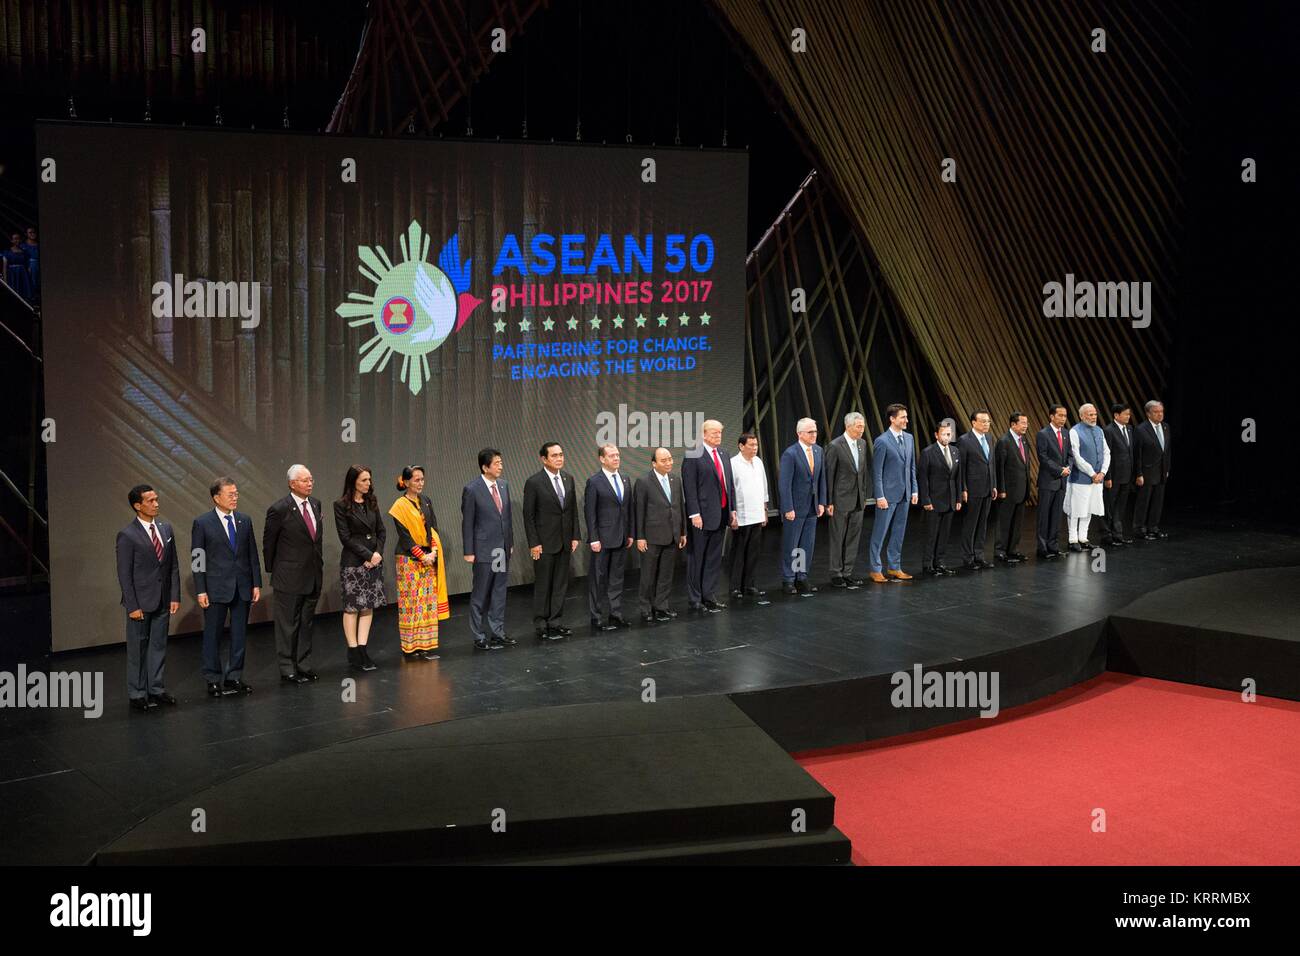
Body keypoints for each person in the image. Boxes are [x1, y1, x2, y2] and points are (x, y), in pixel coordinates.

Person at [192, 477, 261, 697]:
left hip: (242, 586)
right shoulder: (202, 523)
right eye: (230, 494)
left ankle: (234, 677)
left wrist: (256, 583)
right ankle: (213, 678)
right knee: (212, 635)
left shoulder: (244, 520)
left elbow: (252, 555)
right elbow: (198, 559)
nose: (235, 498)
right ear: (216, 497)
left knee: (240, 634)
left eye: (236, 494)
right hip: (215, 588)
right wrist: (201, 589)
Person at [116, 484, 180, 711]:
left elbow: (172, 566)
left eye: (156, 499)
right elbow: (124, 574)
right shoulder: (128, 535)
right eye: (150, 501)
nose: (156, 503)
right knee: (138, 649)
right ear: (137, 505)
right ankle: (137, 693)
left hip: (162, 599)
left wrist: (174, 595)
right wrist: (132, 605)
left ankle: (156, 688)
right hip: (140, 603)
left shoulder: (165, 528)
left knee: (158, 646)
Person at [263, 464, 324, 684]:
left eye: (311, 479)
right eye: (305, 480)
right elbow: (269, 544)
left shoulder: (316, 504)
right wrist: (277, 571)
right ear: (292, 484)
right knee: (287, 625)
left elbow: (315, 541)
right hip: (288, 577)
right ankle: (288, 668)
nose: (310, 483)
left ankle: (304, 665)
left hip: (312, 575)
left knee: (306, 624)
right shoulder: (279, 509)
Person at [523, 441, 580, 641]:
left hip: (564, 540)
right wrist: (534, 543)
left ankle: (555, 622)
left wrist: (575, 535)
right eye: (554, 455)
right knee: (544, 584)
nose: (559, 458)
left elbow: (572, 510)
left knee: (560, 584)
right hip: (544, 543)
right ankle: (541, 623)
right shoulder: (534, 482)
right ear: (544, 459)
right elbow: (528, 515)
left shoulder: (568, 478)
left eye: (561, 454)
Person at [390, 465, 449, 660]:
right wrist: (422, 555)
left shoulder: (426, 501)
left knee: (426, 602)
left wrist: (432, 551)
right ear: (406, 482)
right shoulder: (400, 506)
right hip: (409, 559)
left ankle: (425, 645)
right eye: (416, 480)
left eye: (422, 479)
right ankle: (410, 647)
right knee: (412, 603)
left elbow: (433, 528)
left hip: (428, 556)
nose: (420, 483)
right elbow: (405, 537)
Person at [335, 464, 387, 670]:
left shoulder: (371, 502)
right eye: (364, 480)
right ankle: (353, 650)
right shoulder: (341, 505)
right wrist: (367, 555)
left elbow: (381, 531)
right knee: (352, 607)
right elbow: (345, 537)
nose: (368, 484)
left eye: (369, 480)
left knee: (367, 606)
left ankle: (363, 649)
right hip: (354, 562)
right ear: (353, 481)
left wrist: (377, 554)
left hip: (373, 561)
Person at [462, 448, 515, 650]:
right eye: (496, 463)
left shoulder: (503, 485)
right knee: (481, 592)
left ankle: (497, 632)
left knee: (499, 591)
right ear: (485, 467)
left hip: (500, 549)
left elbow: (506, 518)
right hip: (483, 549)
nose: (500, 466)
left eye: (501, 462)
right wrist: (469, 550)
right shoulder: (472, 489)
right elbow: (467, 522)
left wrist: (508, 543)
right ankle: (478, 635)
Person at [682, 419, 736, 611]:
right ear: (703, 435)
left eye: (719, 433)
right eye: (713, 433)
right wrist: (694, 513)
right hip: (702, 517)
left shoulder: (724, 453)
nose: (717, 436)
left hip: (721, 514)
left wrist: (732, 509)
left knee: (714, 558)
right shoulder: (693, 454)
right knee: (697, 558)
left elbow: (729, 485)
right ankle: (695, 598)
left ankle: (709, 595)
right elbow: (689, 487)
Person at [634, 447, 686, 624]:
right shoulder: (644, 481)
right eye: (664, 460)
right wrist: (640, 537)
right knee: (648, 575)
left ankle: (661, 606)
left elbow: (680, 506)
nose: (669, 463)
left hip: (672, 534)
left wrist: (682, 532)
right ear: (654, 463)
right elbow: (639, 511)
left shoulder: (675, 479)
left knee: (666, 574)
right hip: (651, 536)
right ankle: (646, 608)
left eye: (670, 459)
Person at [867, 403, 918, 582]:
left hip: (905, 493)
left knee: (899, 532)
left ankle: (894, 567)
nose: (906, 420)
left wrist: (915, 489)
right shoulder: (882, 441)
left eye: (906, 417)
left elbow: (911, 466)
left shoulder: (910, 438)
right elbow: (877, 471)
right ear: (892, 419)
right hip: (887, 496)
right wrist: (880, 496)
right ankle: (875, 569)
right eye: (903, 417)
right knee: (880, 533)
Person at [585, 444, 634, 631]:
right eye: (612, 456)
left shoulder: (625, 478)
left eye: (618, 455)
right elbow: (590, 512)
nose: (616, 458)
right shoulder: (594, 481)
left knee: (616, 578)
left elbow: (628, 508)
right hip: (603, 539)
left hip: (621, 537)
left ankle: (615, 614)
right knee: (598, 578)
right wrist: (594, 538)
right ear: (602, 459)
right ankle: (596, 616)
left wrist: (630, 533)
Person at [779, 418, 827, 595]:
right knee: (792, 544)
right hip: (796, 507)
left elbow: (822, 479)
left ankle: (802, 576)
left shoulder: (818, 450)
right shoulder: (790, 454)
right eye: (810, 432)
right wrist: (788, 508)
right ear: (800, 434)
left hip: (812, 506)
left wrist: (822, 501)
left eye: (815, 431)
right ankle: (789, 578)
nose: (814, 435)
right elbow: (784, 484)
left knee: (806, 544)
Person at [825, 412, 870, 587]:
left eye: (863, 426)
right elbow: (830, 475)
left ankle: (847, 571)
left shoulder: (862, 444)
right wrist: (829, 501)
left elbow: (863, 472)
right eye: (858, 427)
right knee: (838, 537)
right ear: (848, 426)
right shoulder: (835, 446)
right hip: (840, 500)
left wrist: (864, 495)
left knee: (853, 538)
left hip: (858, 499)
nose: (862, 430)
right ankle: (836, 573)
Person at [917, 420, 962, 576]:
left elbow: (958, 477)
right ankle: (928, 565)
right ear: (936, 435)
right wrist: (926, 500)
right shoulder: (928, 452)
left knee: (944, 534)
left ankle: (940, 562)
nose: (946, 437)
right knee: (931, 534)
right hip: (934, 500)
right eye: (943, 434)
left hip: (950, 499)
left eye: (949, 434)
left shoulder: (955, 451)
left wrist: (958, 499)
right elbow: (923, 478)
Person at [1064, 404, 1111, 551]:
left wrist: (1103, 472)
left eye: (1094, 414)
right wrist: (1092, 473)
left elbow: (1106, 452)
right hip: (1081, 479)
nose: (1093, 417)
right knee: (1076, 509)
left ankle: (1083, 538)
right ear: (1082, 416)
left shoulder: (1099, 431)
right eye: (1090, 415)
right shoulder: (1075, 431)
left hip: (1097, 479)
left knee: (1089, 508)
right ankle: (1072, 539)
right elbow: (1076, 456)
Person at [729, 432, 769, 599]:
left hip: (757, 514)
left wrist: (765, 511)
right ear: (741, 446)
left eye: (756, 445)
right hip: (741, 516)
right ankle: (735, 587)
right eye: (751, 445)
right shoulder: (733, 463)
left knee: (753, 552)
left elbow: (764, 487)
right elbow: (731, 491)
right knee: (739, 553)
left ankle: (749, 585)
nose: (754, 448)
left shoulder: (758, 462)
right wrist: (733, 515)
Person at [958, 409, 998, 570]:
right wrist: (963, 488)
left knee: (983, 524)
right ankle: (968, 558)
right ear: (974, 422)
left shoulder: (989, 438)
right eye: (983, 421)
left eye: (988, 421)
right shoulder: (965, 440)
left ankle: (979, 555)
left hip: (988, 487)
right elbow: (962, 467)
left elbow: (991, 463)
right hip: (973, 488)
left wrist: (994, 484)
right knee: (971, 524)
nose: (986, 424)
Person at [993, 412, 1032, 564]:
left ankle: (1012, 550)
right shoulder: (1004, 441)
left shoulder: (1024, 440)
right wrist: (1001, 489)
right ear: (1013, 424)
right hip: (1008, 491)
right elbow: (999, 467)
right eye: (1023, 423)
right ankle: (1000, 551)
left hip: (1022, 490)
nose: (1026, 426)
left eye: (1026, 423)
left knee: (1017, 522)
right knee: (1005, 522)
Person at [1035, 405, 1072, 559]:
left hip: (1061, 482)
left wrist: (1068, 467)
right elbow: (1043, 458)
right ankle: (1043, 548)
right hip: (1048, 481)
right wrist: (1059, 470)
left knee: (1056, 516)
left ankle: (1053, 546)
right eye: (1060, 415)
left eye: (1065, 416)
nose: (1063, 418)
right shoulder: (1043, 434)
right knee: (1044, 516)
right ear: (1052, 416)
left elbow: (1070, 454)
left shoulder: (1065, 433)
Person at [1132, 400, 1172, 540]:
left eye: (1161, 411)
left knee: (1157, 501)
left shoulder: (1166, 427)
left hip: (1161, 471)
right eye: (1156, 412)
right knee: (1144, 501)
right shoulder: (1141, 429)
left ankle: (1153, 527)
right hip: (1147, 472)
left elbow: (1167, 451)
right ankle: (1139, 529)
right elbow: (1137, 454)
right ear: (1148, 413)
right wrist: (1138, 473)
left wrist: (1167, 468)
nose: (1160, 414)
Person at [1103, 403, 1137, 546]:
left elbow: (1130, 452)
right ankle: (1107, 535)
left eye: (1129, 414)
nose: (1128, 417)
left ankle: (1118, 534)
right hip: (1114, 475)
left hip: (1126, 475)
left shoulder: (1129, 429)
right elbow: (1107, 454)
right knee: (1109, 506)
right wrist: (1108, 476)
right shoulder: (1109, 430)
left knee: (1121, 506)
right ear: (1116, 415)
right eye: (1125, 414)